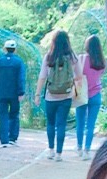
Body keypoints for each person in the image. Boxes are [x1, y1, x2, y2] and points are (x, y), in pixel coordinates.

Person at [34, 30, 82, 161]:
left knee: (50, 123)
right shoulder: (72, 57)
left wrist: (37, 94)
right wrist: (73, 87)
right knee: (61, 124)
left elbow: (42, 77)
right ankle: (59, 154)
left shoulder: (49, 57)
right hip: (66, 96)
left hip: (50, 96)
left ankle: (51, 150)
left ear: (53, 42)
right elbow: (79, 76)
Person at [0, 39, 26, 147]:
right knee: (14, 115)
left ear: (5, 49)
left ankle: (4, 140)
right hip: (14, 94)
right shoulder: (19, 62)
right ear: (15, 49)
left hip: (1, 93)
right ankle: (12, 138)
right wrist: (21, 92)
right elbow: (21, 79)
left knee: (2, 116)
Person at [75, 34, 106, 159]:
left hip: (82, 93)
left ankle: (79, 147)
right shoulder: (101, 61)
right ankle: (87, 149)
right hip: (96, 94)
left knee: (80, 122)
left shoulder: (81, 58)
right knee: (91, 124)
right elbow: (99, 75)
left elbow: (76, 75)